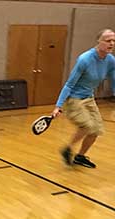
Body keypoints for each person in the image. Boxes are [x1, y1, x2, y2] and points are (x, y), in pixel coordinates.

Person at [52, 28, 115, 168]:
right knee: (87, 126)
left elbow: (113, 79)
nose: (111, 43)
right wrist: (58, 106)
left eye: (113, 41)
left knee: (96, 130)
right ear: (99, 41)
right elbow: (69, 84)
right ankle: (67, 149)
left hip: (89, 98)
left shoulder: (110, 60)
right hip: (74, 99)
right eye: (108, 40)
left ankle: (80, 157)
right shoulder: (85, 59)